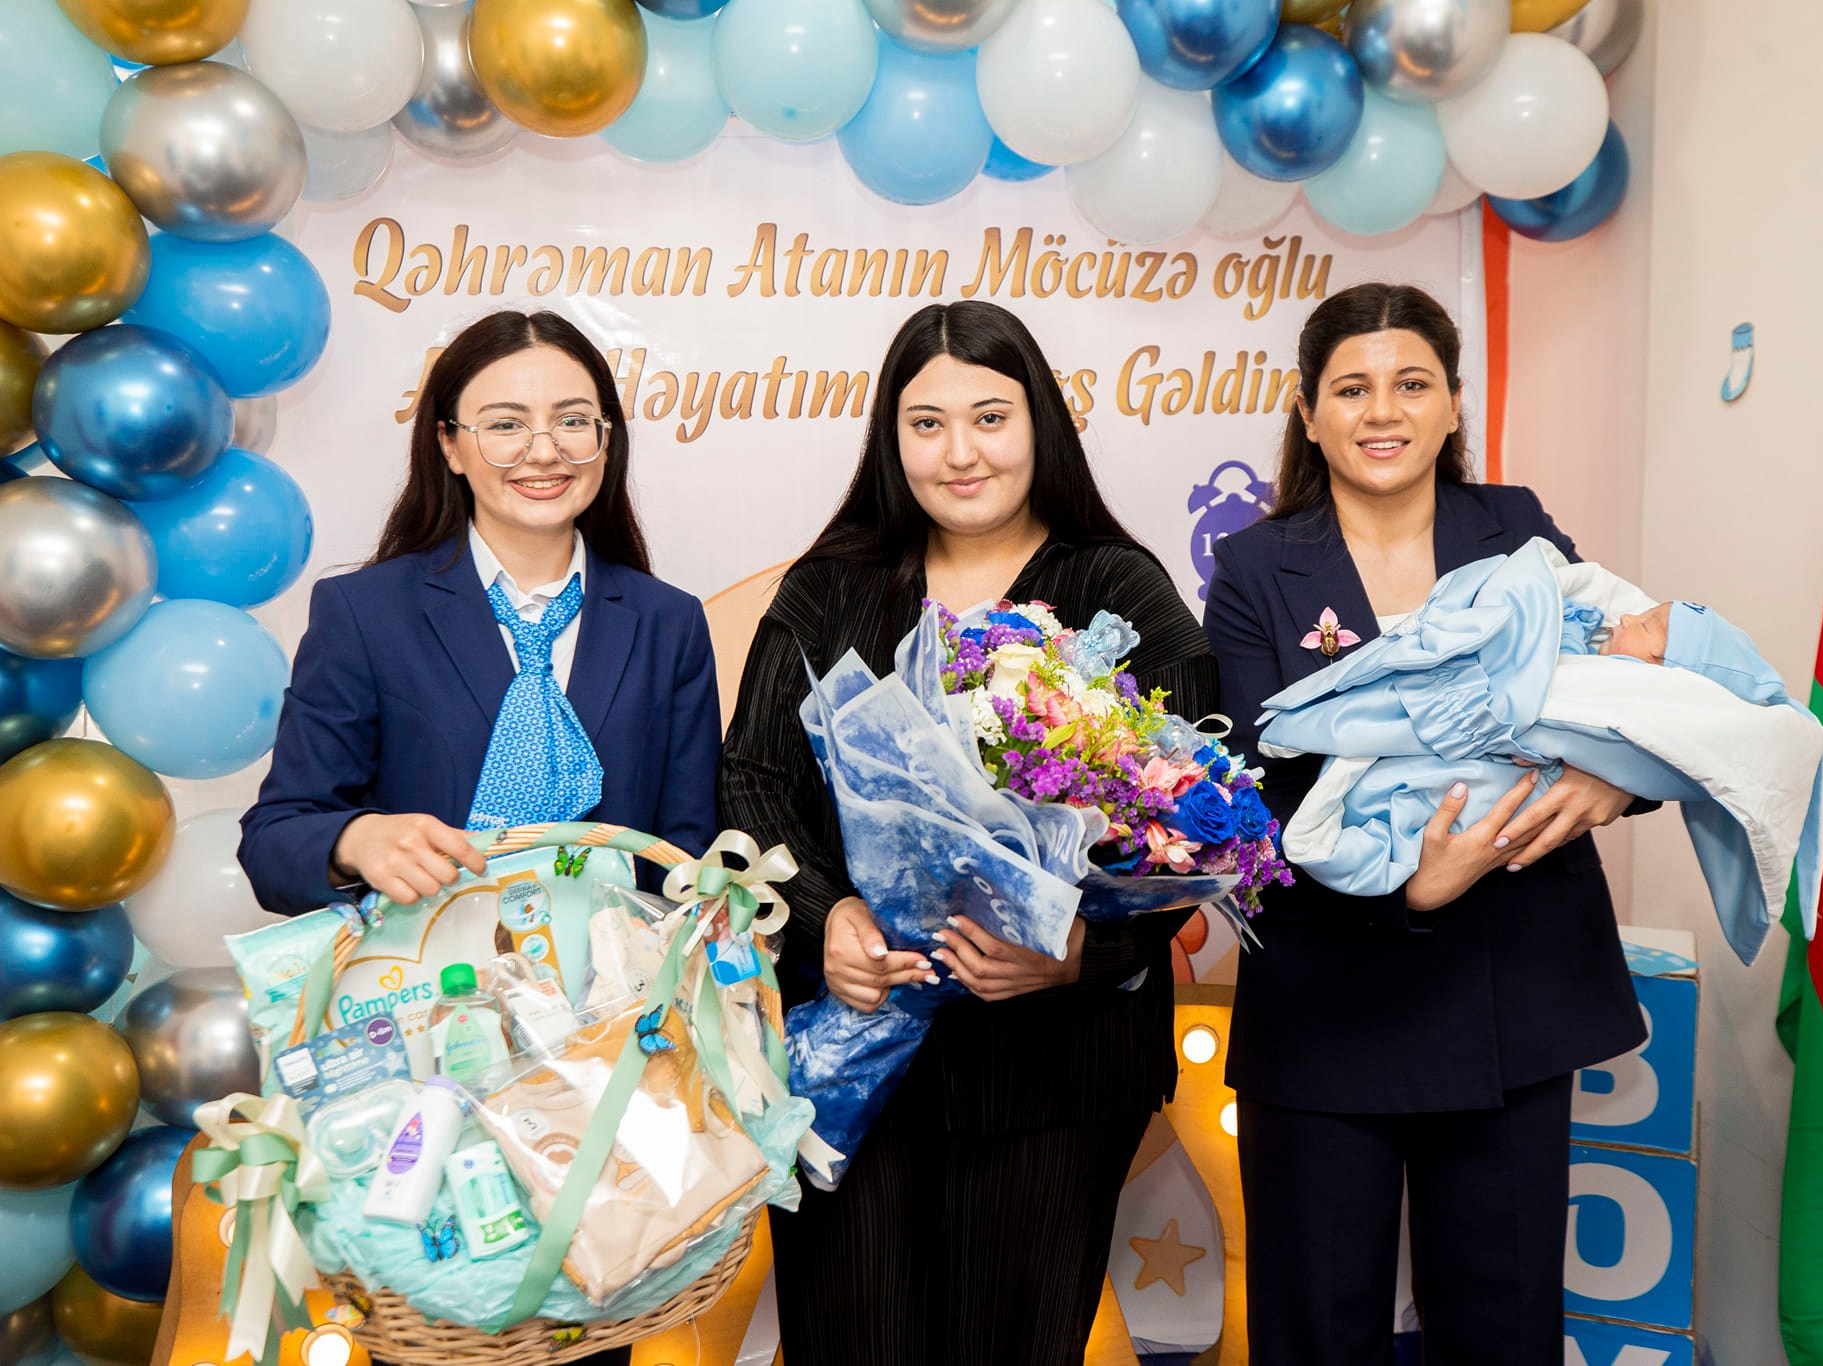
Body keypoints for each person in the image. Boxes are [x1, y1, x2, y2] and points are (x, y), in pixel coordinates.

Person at [718, 300, 1216, 1366]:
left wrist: (1080, 950)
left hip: (1054, 1071)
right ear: (890, 440)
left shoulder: (1115, 588)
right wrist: (826, 916)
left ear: (1040, 424)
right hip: (854, 1060)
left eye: (990, 417)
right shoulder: (830, 587)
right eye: (926, 423)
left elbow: (1188, 820)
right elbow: (752, 779)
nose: (960, 452)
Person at [239, 308, 721, 1366]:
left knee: (590, 1332)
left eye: (572, 421)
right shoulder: (366, 613)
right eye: (504, 423)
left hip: (601, 1077)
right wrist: (356, 839)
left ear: (607, 440)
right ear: (450, 445)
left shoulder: (667, 621)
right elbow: (275, 839)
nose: (542, 449)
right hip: (417, 1070)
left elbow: (685, 857)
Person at [1203, 282, 1651, 1366]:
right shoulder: (1256, 567)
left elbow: (1622, 691)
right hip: (1327, 1001)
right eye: (1351, 388)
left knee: (1504, 1331)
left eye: (1410, 384)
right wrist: (1410, 888)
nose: (1382, 411)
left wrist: (1613, 780)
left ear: (1453, 404)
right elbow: (1251, 796)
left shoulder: (1515, 525)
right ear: (1308, 412)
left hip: (1512, 990)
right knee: (1315, 1332)